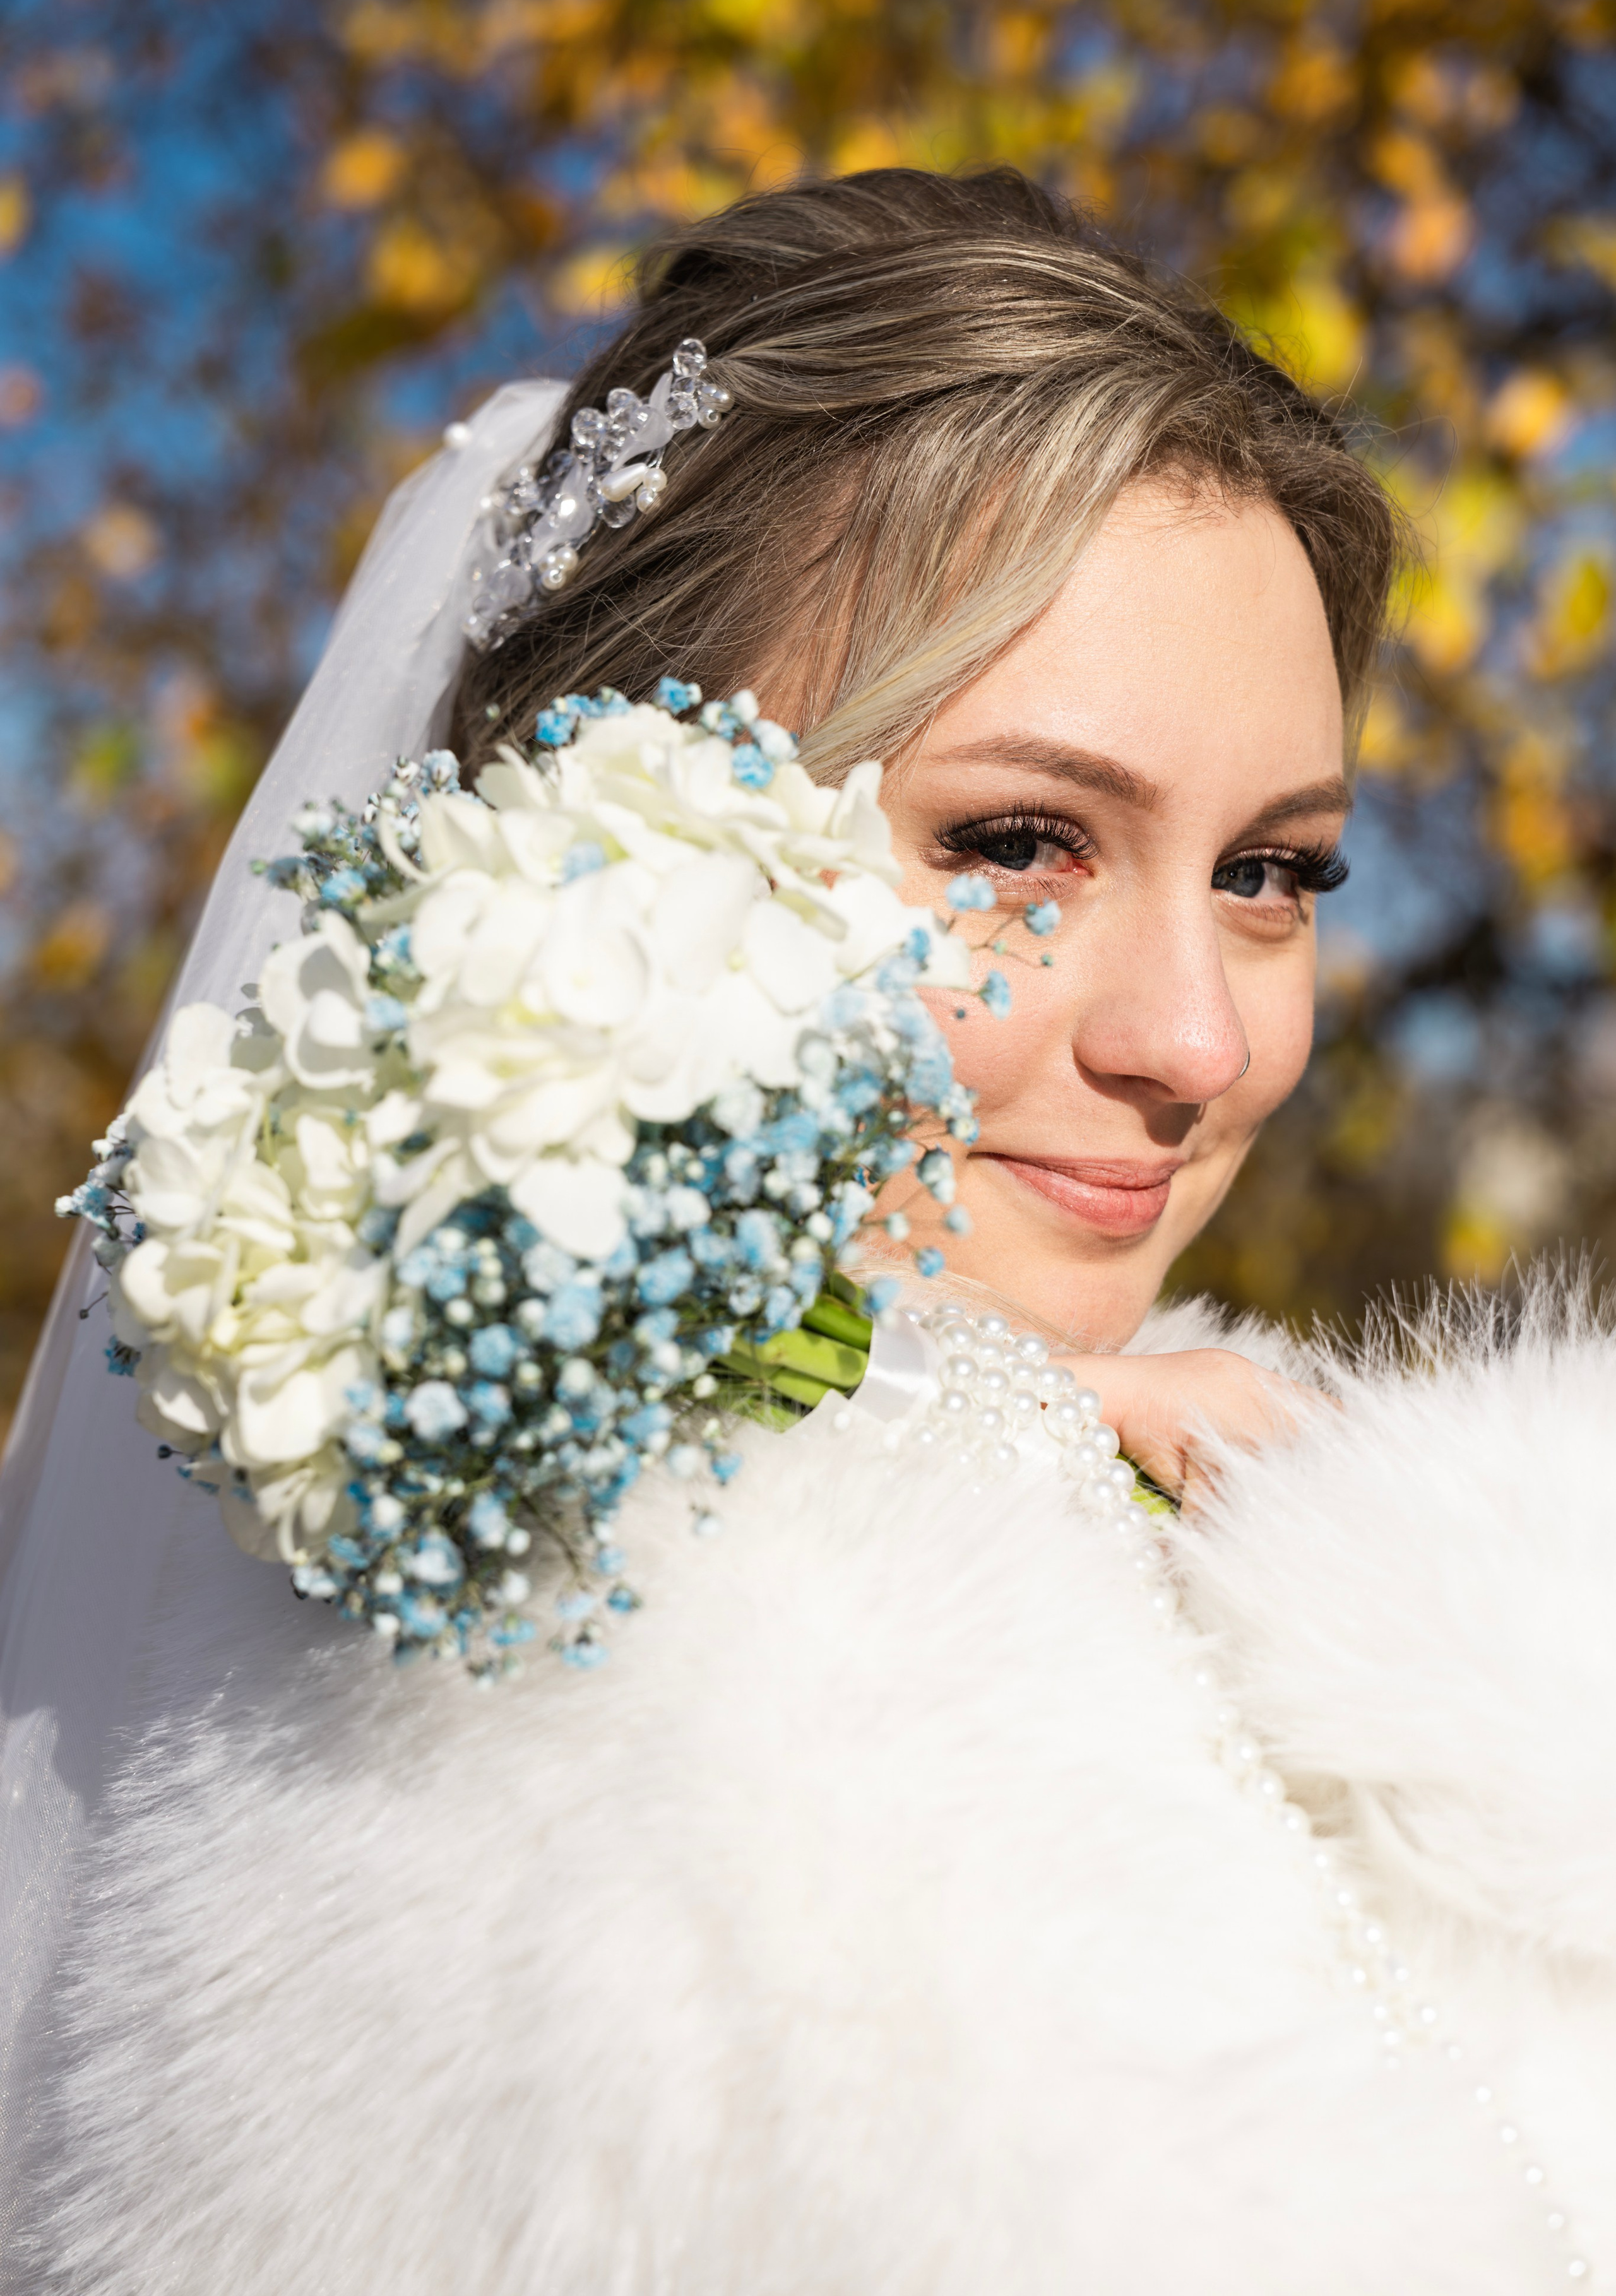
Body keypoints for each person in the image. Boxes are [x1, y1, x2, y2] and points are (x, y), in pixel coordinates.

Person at [3, 167, 1613, 2293]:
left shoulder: (1318, 1530)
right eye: (1020, 842)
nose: (1199, 1038)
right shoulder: (600, 1845)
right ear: (594, 859)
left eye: (1277, 872)